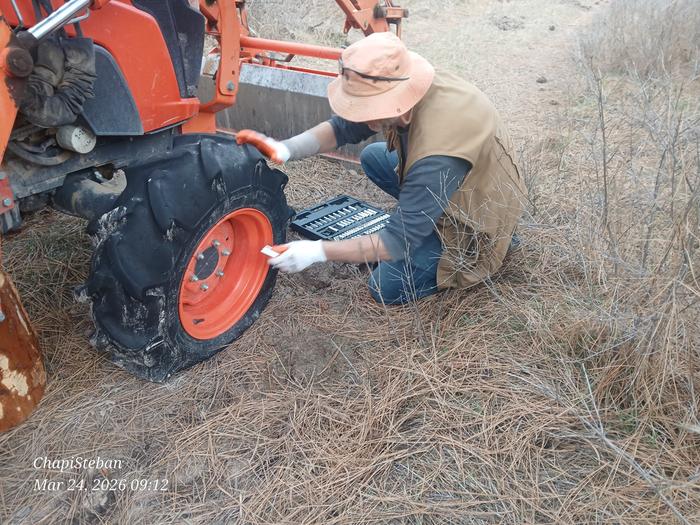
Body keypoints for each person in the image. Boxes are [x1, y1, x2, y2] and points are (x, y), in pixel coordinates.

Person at [237, 32, 527, 305]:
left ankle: (475, 243)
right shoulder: (404, 85)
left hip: (477, 219)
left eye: (369, 109)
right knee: (375, 156)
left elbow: (395, 243)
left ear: (396, 101)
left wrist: (317, 252)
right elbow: (342, 128)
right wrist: (286, 148)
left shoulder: (437, 152)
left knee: (384, 287)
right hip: (460, 182)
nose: (364, 118)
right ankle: (421, 216)